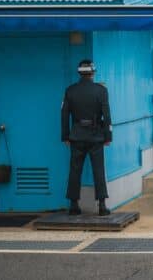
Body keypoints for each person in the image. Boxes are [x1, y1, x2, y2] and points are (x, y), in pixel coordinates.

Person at [61, 59, 112, 216]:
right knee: (98, 170)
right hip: (96, 135)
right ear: (93, 72)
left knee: (75, 170)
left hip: (76, 135)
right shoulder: (101, 91)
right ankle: (102, 206)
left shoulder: (70, 90)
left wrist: (65, 136)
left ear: (79, 73)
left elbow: (64, 115)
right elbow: (107, 115)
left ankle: (74, 205)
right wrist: (108, 135)